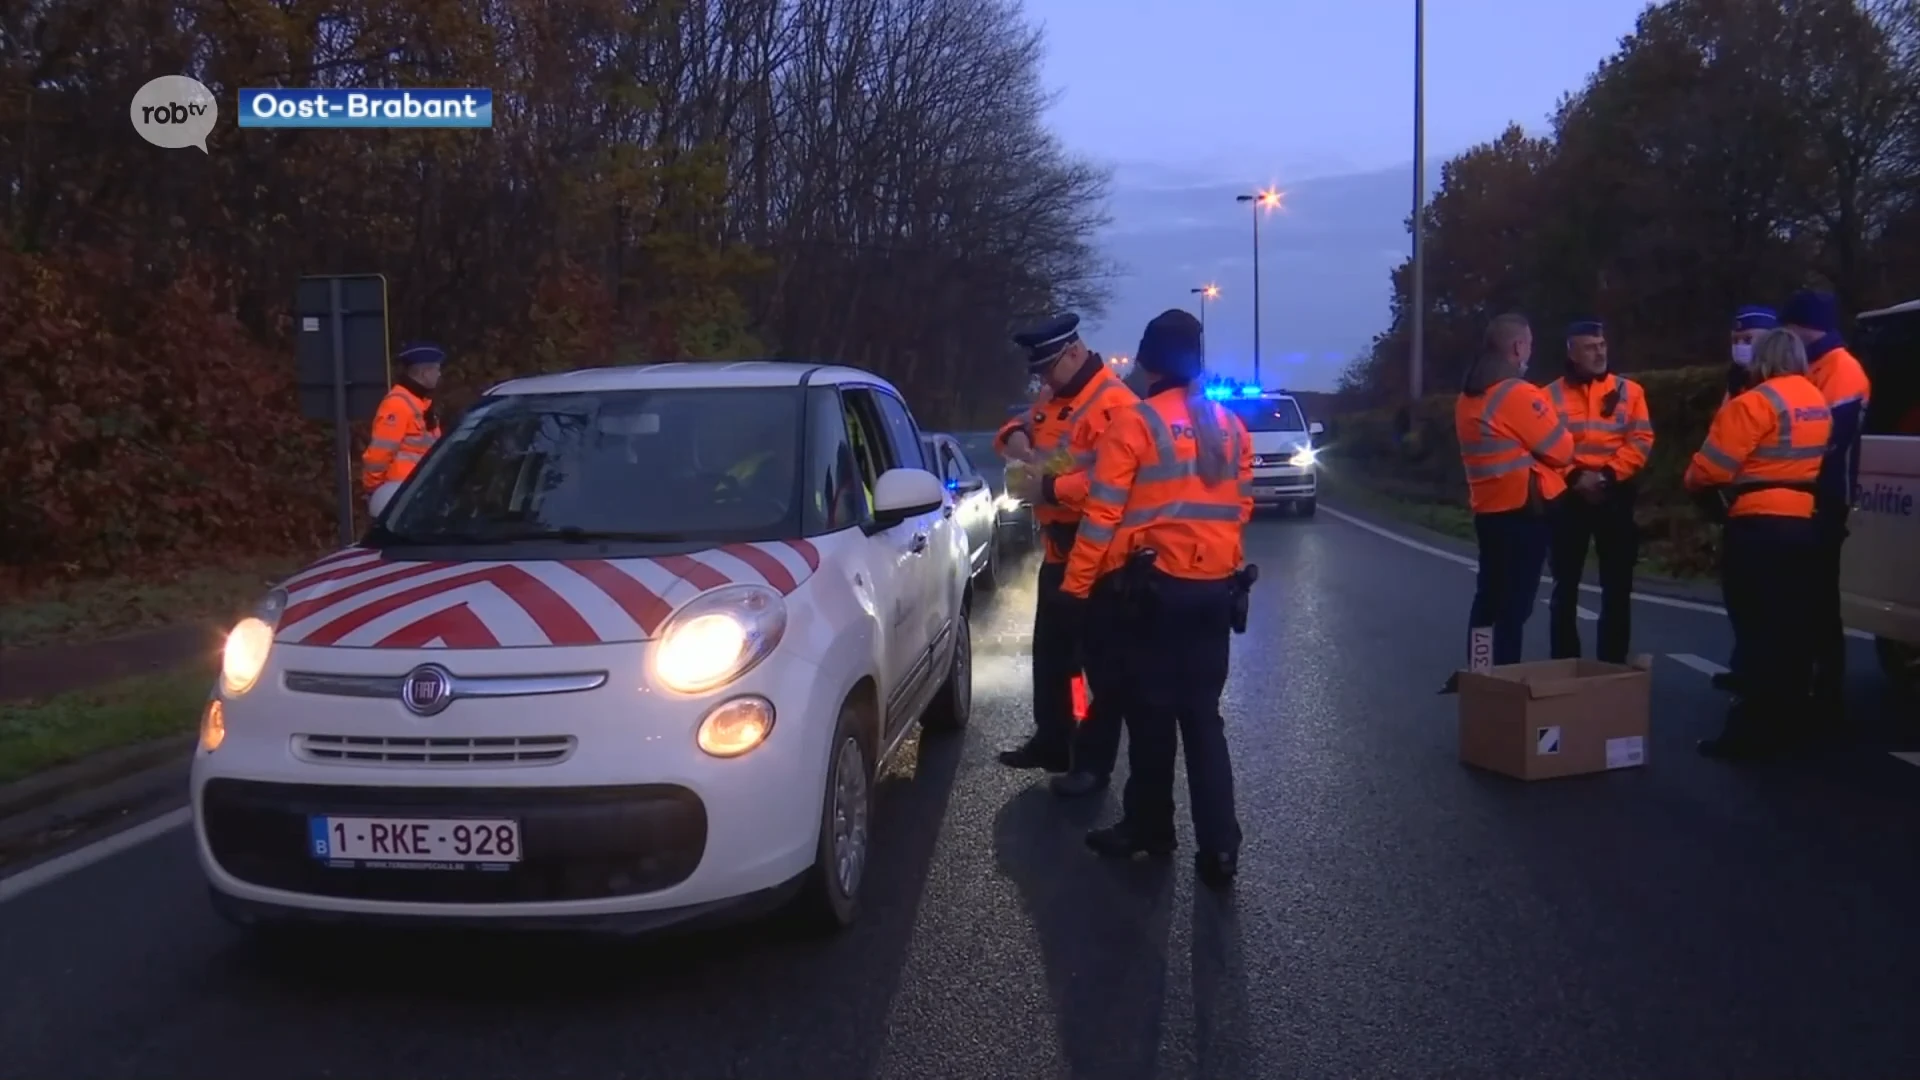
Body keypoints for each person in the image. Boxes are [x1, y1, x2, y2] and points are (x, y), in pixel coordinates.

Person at [1064, 309, 1252, 888]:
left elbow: (1101, 515)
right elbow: (1241, 507)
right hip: (1215, 594)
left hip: (1152, 594)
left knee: (1149, 717)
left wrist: (1077, 587)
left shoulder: (1137, 425)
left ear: (1146, 362)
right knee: (1202, 720)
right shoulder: (1229, 427)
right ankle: (1219, 849)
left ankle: (1150, 829)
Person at [995, 313, 1139, 785]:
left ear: (1074, 352)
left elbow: (1115, 479)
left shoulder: (1115, 403)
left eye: (1047, 368)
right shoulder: (1054, 395)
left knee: (1094, 664)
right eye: (1037, 373)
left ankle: (1091, 760)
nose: (1042, 379)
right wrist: (1014, 436)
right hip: (1058, 550)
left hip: (1098, 554)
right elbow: (1025, 426)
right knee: (1052, 655)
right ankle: (1052, 738)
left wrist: (1053, 489)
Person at [1683, 329, 1831, 759]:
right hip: (1803, 523)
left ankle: (1748, 731)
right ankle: (1792, 718)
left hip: (1758, 526)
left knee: (1755, 628)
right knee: (1793, 628)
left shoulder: (1755, 402)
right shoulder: (1815, 401)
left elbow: (1708, 471)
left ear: (1762, 359)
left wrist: (1695, 483)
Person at [1441, 314, 1575, 692]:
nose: (1530, 351)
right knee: (1515, 608)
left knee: (1487, 601)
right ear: (1517, 347)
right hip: (1524, 512)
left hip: (1488, 510)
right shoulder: (1516, 393)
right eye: (1528, 344)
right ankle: (1503, 685)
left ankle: (1481, 674)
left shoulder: (1468, 396)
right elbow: (1562, 450)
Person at [1780, 290, 1872, 724]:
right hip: (1804, 496)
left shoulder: (1841, 369)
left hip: (1826, 498)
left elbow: (1828, 440)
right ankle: (1805, 685)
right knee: (1802, 597)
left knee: (1818, 598)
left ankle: (1826, 691)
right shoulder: (1815, 366)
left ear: (1802, 327)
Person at [1544, 318, 1654, 664]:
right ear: (1571, 351)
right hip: (1568, 495)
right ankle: (1565, 664)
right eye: (1590, 347)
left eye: (1602, 345)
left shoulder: (1630, 392)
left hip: (1614, 494)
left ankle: (1612, 665)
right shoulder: (1548, 396)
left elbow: (1641, 440)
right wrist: (1575, 476)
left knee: (1618, 586)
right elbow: (1543, 445)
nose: (1599, 352)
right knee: (1565, 586)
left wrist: (1607, 474)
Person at [1709, 305, 1779, 692]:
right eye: (1735, 341)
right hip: (1740, 501)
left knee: (1761, 600)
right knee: (1740, 597)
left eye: (1748, 340)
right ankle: (1745, 665)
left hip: (1768, 505)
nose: (1740, 348)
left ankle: (1762, 681)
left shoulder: (1771, 389)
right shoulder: (1736, 383)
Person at [362, 341, 446, 492]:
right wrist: (375, 488)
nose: (439, 374)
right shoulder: (397, 404)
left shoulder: (421, 403)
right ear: (424, 373)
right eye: (436, 369)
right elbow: (379, 454)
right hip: (399, 491)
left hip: (415, 490)